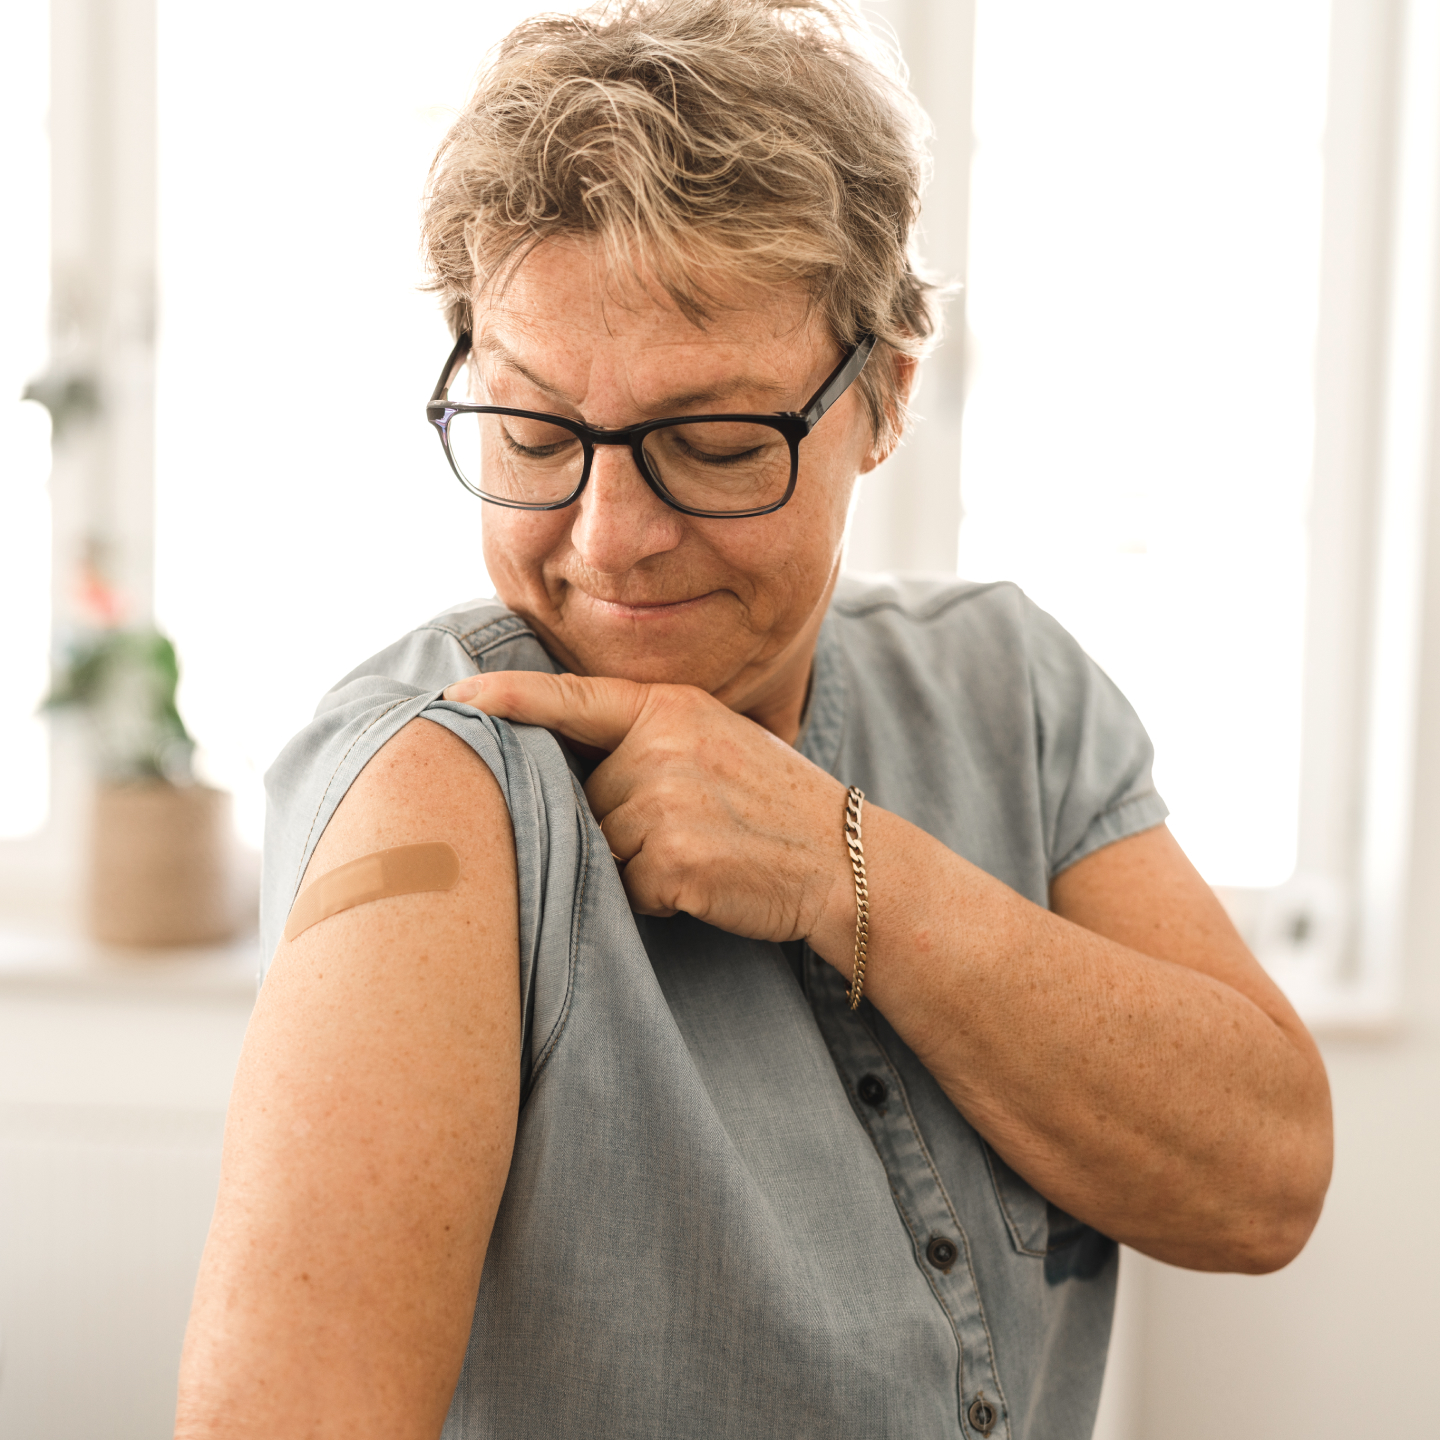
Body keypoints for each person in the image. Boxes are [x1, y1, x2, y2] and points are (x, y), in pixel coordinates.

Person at [174, 2, 1333, 1436]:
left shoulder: (1007, 694)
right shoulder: (445, 783)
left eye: (713, 446)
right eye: (534, 433)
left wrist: (845, 866)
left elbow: (1264, 1178)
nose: (605, 539)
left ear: (886, 395)